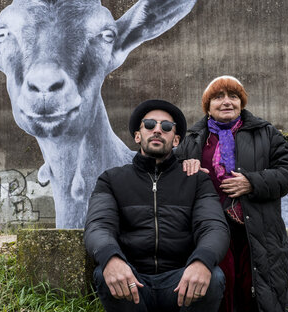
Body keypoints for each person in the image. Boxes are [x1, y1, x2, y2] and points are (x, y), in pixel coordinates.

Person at [84, 99, 230, 312]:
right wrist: (111, 258)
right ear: (137, 135)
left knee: (214, 276)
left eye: (167, 127)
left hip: (180, 280)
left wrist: (202, 261)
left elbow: (214, 226)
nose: (158, 130)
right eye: (150, 125)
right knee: (104, 273)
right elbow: (98, 225)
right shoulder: (111, 180)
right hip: (132, 277)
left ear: (176, 139)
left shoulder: (196, 180)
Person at [175, 76, 288, 312]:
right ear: (207, 106)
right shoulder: (191, 141)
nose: (227, 102)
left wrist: (252, 182)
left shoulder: (266, 133)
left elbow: (286, 174)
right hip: (211, 231)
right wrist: (186, 171)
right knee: (220, 289)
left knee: (259, 293)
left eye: (234, 96)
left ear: (242, 103)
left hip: (259, 230)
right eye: (218, 97)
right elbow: (172, 185)